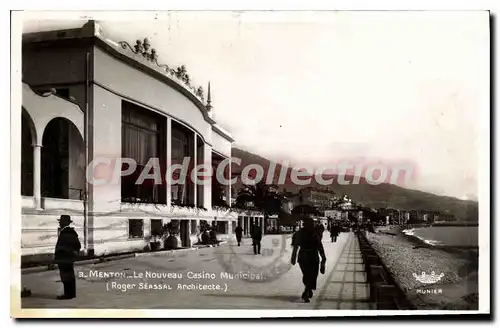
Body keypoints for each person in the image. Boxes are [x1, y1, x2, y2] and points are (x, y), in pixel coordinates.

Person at [291, 218, 327, 303]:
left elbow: (295, 246)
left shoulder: (299, 233)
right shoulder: (315, 234)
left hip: (303, 256)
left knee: (307, 274)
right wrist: (323, 258)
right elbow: (320, 246)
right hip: (313, 256)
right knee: (312, 275)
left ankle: (308, 289)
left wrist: (294, 257)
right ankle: (307, 291)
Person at [54, 215, 81, 300]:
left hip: (65, 258)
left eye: (61, 222)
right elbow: (77, 246)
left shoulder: (67, 232)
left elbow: (75, 245)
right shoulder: (69, 231)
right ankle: (71, 294)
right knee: (69, 276)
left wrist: (66, 252)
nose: (59, 223)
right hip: (67, 258)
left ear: (64, 223)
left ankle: (68, 294)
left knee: (66, 276)